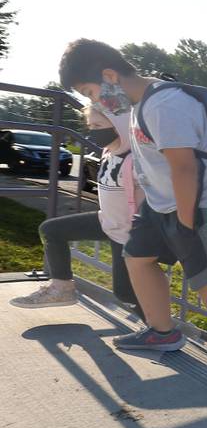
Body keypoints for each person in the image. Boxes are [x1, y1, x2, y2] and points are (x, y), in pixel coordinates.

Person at [58, 39, 207, 384]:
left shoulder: (165, 104)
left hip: (204, 204)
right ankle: (162, 332)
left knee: (206, 279)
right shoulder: (138, 103)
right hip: (162, 202)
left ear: (109, 75)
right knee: (137, 257)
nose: (95, 101)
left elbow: (184, 168)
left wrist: (184, 222)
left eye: (91, 92)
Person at [10, 105, 144, 317]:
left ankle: (161, 329)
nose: (93, 131)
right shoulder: (109, 152)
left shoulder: (139, 160)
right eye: (90, 126)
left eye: (98, 125)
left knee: (125, 293)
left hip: (129, 234)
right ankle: (62, 288)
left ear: (120, 124)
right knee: (52, 230)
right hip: (107, 221)